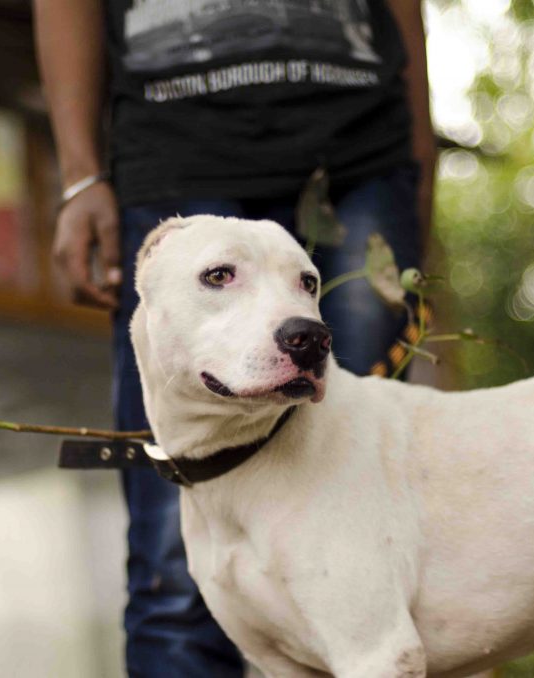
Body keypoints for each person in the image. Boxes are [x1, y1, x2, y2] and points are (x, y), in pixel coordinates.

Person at [34, 1, 435, 675]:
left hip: (362, 151)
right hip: (174, 150)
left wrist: (417, 160)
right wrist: (79, 174)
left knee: (373, 538)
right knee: (175, 568)